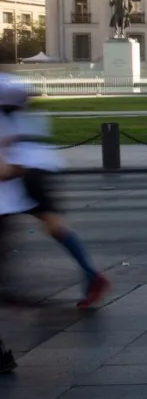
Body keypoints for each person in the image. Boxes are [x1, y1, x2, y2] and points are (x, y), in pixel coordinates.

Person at [0, 75, 111, 309]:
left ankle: (8, 287)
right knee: (53, 224)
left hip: (20, 168)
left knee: (11, 224)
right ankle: (91, 274)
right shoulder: (11, 87)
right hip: (37, 164)